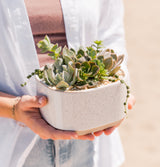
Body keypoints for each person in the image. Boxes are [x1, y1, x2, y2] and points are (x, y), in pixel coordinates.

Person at [0, 0, 135, 167]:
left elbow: (110, 34)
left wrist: (118, 92)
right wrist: (13, 108)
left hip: (91, 135)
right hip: (13, 143)